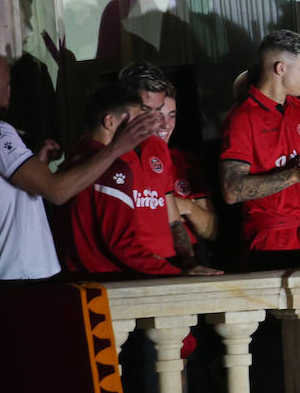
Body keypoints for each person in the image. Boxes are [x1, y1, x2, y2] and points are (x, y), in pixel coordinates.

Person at [0, 41, 160, 282]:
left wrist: (37, 163)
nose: (9, 81)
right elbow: (57, 191)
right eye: (7, 70)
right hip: (19, 277)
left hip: (4, 275)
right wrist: (118, 147)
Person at [62, 84, 221, 276]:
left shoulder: (76, 160)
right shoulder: (109, 166)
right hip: (111, 279)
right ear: (110, 122)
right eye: (137, 120)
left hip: (85, 277)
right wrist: (174, 273)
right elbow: (121, 243)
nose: (147, 127)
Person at [220, 30, 300, 261]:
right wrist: (297, 175)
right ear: (281, 68)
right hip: (271, 240)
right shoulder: (242, 117)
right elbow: (231, 191)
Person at [117, 61, 192, 264]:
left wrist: (189, 264)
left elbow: (174, 220)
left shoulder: (158, 148)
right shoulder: (105, 152)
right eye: (146, 110)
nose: (157, 121)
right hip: (128, 271)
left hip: (166, 268)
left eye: (159, 110)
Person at [157, 90, 218, 245]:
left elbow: (210, 230)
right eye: (158, 115)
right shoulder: (127, 162)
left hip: (190, 258)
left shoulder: (183, 160)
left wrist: (186, 206)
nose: (165, 124)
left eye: (171, 115)